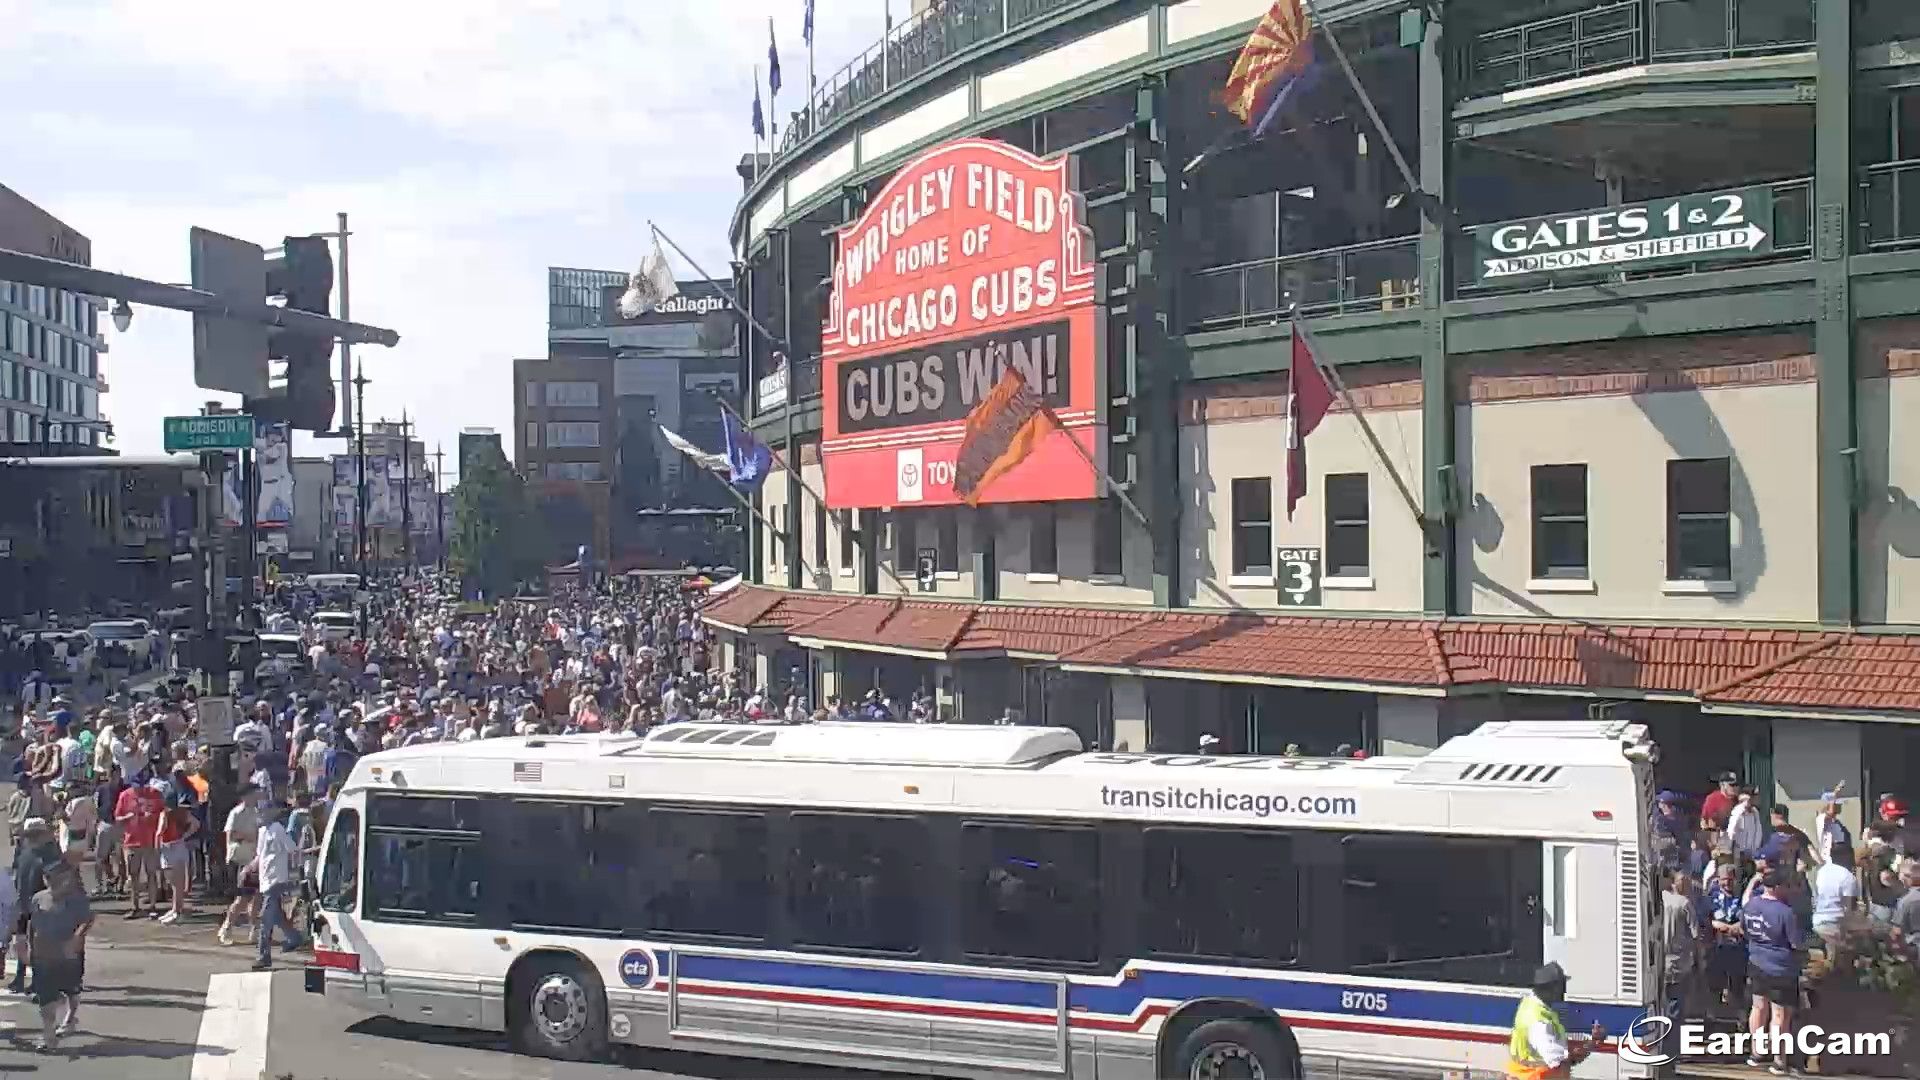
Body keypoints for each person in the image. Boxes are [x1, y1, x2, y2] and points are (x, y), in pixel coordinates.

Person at [1743, 872, 1806, 1075]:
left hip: (1756, 962)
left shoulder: (1751, 905)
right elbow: (1796, 943)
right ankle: (1779, 1061)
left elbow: (1745, 929)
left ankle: (1756, 1053)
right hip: (1781, 968)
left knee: (1758, 1007)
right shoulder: (1785, 912)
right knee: (1780, 1014)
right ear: (1778, 887)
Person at [27, 862, 91, 1051]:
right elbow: (32, 923)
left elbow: (87, 919)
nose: (53, 883)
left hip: (68, 955)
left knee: (72, 989)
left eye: (57, 879)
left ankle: (71, 1017)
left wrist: (78, 937)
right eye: (49, 879)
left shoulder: (77, 899)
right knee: (46, 997)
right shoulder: (38, 898)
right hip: (44, 956)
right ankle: (49, 1035)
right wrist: (29, 945)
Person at [1505, 962, 1606, 1080]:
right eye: (1562, 986)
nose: (1564, 992)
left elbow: (1558, 1046)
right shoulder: (1539, 1023)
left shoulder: (1530, 1005)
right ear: (1553, 988)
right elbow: (1560, 1061)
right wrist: (1593, 1043)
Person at [252, 803, 306, 970]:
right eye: (258, 811)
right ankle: (295, 938)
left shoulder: (278, 829)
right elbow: (259, 856)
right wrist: (248, 869)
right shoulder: (262, 831)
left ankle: (264, 955)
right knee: (276, 916)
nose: (259, 814)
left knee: (265, 919)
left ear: (270, 812)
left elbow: (292, 848)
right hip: (265, 879)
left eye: (262, 811)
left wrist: (294, 872)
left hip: (276, 880)